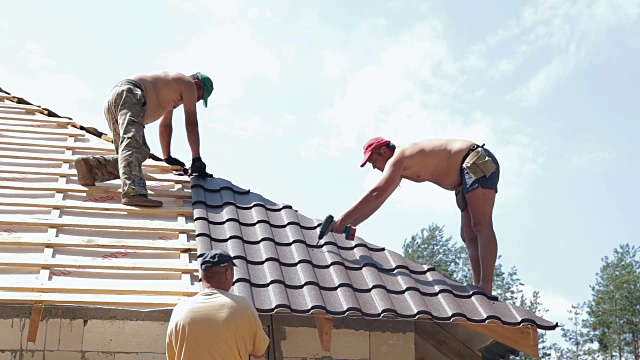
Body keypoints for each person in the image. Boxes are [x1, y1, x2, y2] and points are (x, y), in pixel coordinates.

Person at [327, 137, 500, 295]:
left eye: (373, 160)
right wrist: (345, 226)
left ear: (384, 151)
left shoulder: (399, 158)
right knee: (468, 234)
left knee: (480, 225)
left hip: (474, 160)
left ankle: (486, 288)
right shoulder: (400, 166)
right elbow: (377, 202)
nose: (374, 166)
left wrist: (341, 221)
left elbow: (376, 193)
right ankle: (479, 288)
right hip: (464, 176)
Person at [74, 72, 214, 207]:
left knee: (133, 156)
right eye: (200, 96)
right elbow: (191, 123)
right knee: (134, 149)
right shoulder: (188, 84)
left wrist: (167, 157)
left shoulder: (172, 89)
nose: (197, 100)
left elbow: (165, 125)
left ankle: (91, 168)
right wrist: (196, 159)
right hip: (131, 96)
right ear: (196, 84)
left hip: (116, 99)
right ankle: (133, 193)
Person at [166, 249, 270, 360]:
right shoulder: (243, 307)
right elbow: (259, 352)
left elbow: (171, 355)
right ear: (228, 273)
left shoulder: (179, 310)